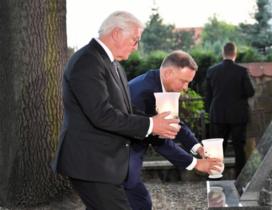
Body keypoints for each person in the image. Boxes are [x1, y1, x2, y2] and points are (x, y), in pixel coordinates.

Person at [51, 11, 181, 210]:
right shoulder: (87, 61)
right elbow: (102, 115)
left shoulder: (113, 64)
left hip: (103, 164)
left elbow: (126, 109)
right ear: (117, 33)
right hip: (91, 164)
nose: (136, 46)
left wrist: (155, 123)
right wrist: (151, 124)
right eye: (134, 40)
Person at [125, 50, 222, 210]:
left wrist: (198, 148)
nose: (186, 88)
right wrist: (196, 164)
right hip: (116, 159)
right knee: (138, 203)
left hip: (129, 158)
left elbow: (174, 123)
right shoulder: (144, 92)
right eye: (184, 81)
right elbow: (159, 141)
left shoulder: (159, 85)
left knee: (139, 202)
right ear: (168, 73)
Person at [205, 42, 255, 177]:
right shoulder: (241, 71)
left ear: (223, 53)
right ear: (235, 54)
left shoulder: (212, 71)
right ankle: (240, 177)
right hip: (238, 116)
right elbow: (250, 92)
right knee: (239, 148)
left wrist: (210, 112)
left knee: (217, 149)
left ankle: (215, 176)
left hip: (218, 115)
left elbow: (208, 97)